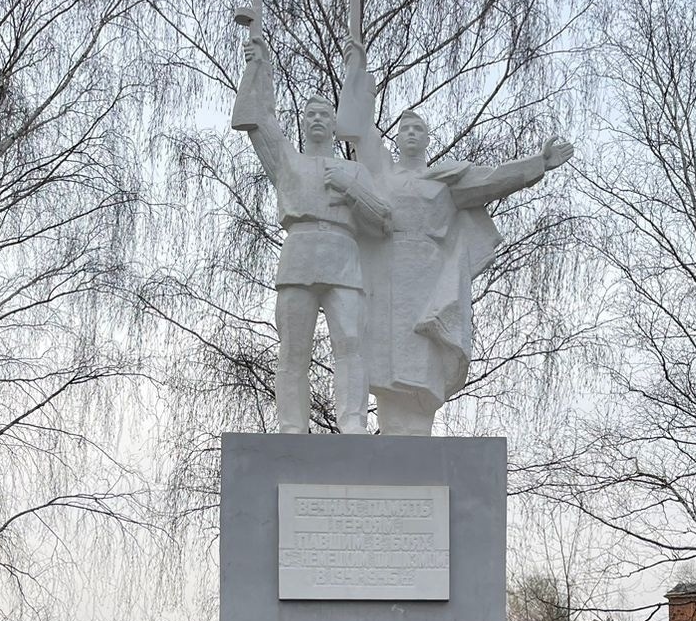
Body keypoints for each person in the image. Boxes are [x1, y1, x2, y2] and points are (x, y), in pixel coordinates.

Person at [337, 41, 574, 435]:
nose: (411, 133)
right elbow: (357, 129)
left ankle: (416, 442)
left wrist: (539, 164)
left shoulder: (445, 179)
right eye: (405, 129)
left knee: (421, 365)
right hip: (386, 275)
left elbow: (493, 179)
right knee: (384, 362)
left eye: (419, 129)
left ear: (428, 139)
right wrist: (355, 75)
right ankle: (393, 438)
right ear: (396, 139)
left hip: (428, 278)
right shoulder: (381, 172)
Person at [232, 36, 391, 434]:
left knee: (351, 344)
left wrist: (350, 189)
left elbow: (383, 221)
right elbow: (257, 120)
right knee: (293, 350)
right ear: (303, 122)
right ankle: (291, 426)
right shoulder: (289, 162)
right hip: (300, 253)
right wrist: (258, 67)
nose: (318, 119)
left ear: (334, 124)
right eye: (311, 114)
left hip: (342, 256)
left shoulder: (353, 171)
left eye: (325, 114)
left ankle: (352, 422)